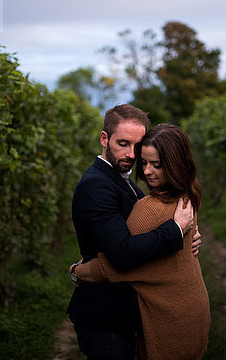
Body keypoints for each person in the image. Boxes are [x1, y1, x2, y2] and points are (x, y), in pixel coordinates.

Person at [67, 105, 201, 360]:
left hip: (123, 313)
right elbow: (122, 252)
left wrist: (189, 235)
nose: (131, 154)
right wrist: (174, 230)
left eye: (137, 146)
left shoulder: (122, 180)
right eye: (123, 143)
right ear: (104, 139)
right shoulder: (96, 185)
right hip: (104, 317)